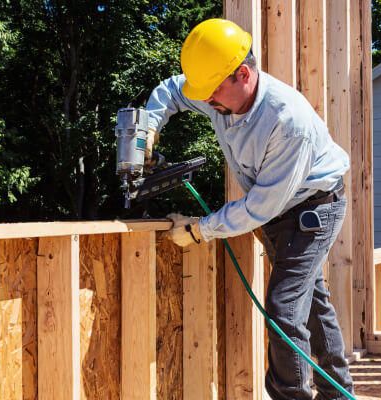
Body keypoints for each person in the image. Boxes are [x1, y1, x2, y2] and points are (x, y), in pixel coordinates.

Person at [144, 18, 355, 399]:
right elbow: (172, 90)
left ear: (243, 74)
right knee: (311, 302)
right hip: (283, 207)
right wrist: (148, 129)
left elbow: (260, 207)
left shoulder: (287, 122)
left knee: (283, 307)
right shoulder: (221, 92)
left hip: (313, 209)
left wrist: (199, 229)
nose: (206, 101)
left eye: (211, 92)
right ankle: (337, 394)